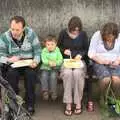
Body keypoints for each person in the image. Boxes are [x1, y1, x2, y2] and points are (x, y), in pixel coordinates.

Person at [0, 16, 41, 115]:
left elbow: (38, 51)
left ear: (23, 28)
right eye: (12, 29)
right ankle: (14, 103)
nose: (14, 32)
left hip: (29, 63)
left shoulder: (31, 34)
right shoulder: (4, 37)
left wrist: (35, 61)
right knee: (11, 74)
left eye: (17, 30)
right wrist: (9, 59)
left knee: (30, 75)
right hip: (13, 63)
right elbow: (0, 55)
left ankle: (30, 103)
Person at [58, 16, 88, 116]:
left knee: (77, 73)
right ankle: (68, 103)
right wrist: (63, 51)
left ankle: (78, 101)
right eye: (74, 30)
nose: (76, 32)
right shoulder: (63, 33)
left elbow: (86, 49)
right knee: (67, 73)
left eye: (77, 31)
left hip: (79, 61)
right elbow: (58, 47)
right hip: (67, 61)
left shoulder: (83, 34)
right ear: (69, 28)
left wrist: (81, 54)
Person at [88, 22, 120, 105]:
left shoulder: (119, 38)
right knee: (106, 80)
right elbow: (91, 53)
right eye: (106, 35)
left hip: (114, 63)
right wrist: (101, 61)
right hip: (99, 63)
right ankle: (103, 96)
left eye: (111, 36)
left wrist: (117, 61)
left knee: (116, 80)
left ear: (115, 35)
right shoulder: (97, 35)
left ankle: (113, 98)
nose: (108, 37)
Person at [40, 35, 63, 101]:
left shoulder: (57, 50)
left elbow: (60, 59)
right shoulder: (44, 51)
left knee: (53, 77)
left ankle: (53, 92)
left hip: (55, 68)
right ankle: (45, 91)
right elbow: (43, 59)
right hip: (45, 68)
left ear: (56, 44)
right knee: (44, 76)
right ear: (45, 45)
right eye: (48, 44)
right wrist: (48, 62)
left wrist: (56, 63)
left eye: (52, 44)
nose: (50, 46)